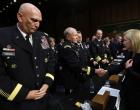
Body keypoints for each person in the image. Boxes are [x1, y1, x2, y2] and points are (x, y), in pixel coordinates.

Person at [0, 3, 54, 110]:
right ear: (20, 17)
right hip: (17, 102)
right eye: (34, 20)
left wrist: (47, 84)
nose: (37, 25)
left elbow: (51, 60)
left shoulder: (42, 37)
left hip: (43, 98)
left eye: (39, 21)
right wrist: (25, 94)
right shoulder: (3, 36)